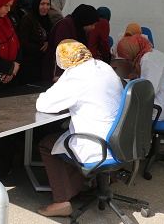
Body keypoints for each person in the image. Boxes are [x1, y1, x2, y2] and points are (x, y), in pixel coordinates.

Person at [36, 39, 123, 217]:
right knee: (65, 136)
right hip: (120, 140)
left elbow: (43, 104)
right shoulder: (102, 66)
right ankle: (91, 182)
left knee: (47, 144)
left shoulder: (75, 75)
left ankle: (61, 202)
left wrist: (61, 82)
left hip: (96, 143)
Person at [117, 34, 164, 120]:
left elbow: (148, 92)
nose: (127, 59)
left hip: (158, 109)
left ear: (132, 50)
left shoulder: (149, 60)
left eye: (127, 55)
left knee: (119, 106)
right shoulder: (153, 53)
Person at [42, 4, 99, 81]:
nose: (93, 28)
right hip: (57, 76)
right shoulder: (65, 25)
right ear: (85, 20)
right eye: (92, 24)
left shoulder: (80, 29)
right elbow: (59, 50)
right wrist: (57, 74)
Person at [17, 0, 51, 84]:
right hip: (29, 65)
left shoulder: (47, 19)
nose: (45, 7)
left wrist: (48, 42)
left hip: (42, 63)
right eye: (42, 4)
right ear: (36, 3)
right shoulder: (28, 19)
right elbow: (22, 43)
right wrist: (41, 48)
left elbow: (48, 36)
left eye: (48, 4)